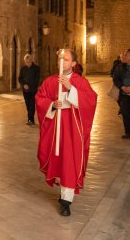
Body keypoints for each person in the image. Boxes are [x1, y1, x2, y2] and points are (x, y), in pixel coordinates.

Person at [35, 49, 97, 217]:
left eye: (67, 59)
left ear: (74, 64)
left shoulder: (80, 82)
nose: (62, 61)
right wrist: (53, 105)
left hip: (72, 131)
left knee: (69, 162)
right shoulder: (49, 82)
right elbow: (40, 99)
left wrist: (71, 89)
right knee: (57, 160)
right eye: (60, 58)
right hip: (55, 130)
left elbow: (91, 100)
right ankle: (62, 192)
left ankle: (66, 202)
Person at [18, 54, 41, 125]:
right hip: (25, 90)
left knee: (32, 104)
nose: (27, 63)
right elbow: (20, 78)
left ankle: (30, 120)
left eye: (28, 61)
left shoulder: (36, 68)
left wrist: (30, 86)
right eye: (26, 61)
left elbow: (37, 80)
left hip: (33, 90)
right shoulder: (23, 69)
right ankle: (30, 119)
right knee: (28, 105)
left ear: (31, 60)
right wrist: (24, 84)